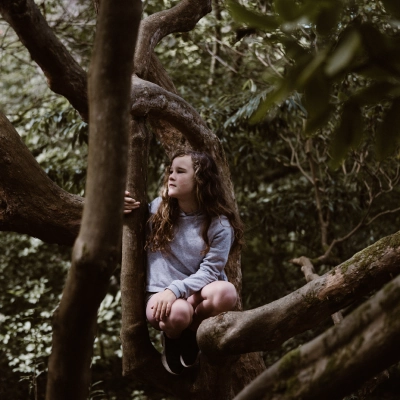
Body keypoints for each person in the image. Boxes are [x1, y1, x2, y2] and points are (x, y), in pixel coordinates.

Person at [124, 150, 243, 375]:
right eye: (171, 171)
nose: (171, 176)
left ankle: (191, 333)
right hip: (160, 297)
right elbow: (123, 223)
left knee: (227, 292)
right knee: (178, 312)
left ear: (200, 180)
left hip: (194, 294)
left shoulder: (219, 223)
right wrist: (118, 205)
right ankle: (172, 337)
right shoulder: (156, 210)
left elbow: (210, 271)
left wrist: (176, 289)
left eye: (180, 171)